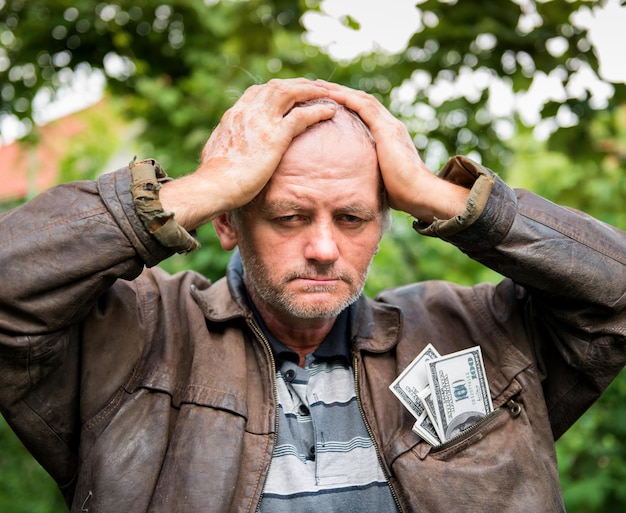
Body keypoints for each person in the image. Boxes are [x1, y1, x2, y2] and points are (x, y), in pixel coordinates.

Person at [0, 77, 624, 513]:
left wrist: (444, 197)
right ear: (226, 221)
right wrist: (203, 188)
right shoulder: (136, 334)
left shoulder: (478, 331)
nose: (325, 248)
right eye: (289, 217)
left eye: (353, 218)